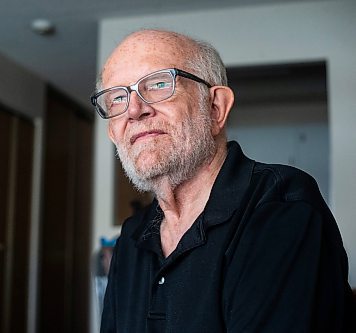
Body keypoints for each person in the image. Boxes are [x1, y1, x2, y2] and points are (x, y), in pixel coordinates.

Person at [91, 29, 355, 332]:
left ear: (216, 108)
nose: (134, 110)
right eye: (117, 98)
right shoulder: (131, 237)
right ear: (114, 132)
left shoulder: (282, 209)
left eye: (160, 84)